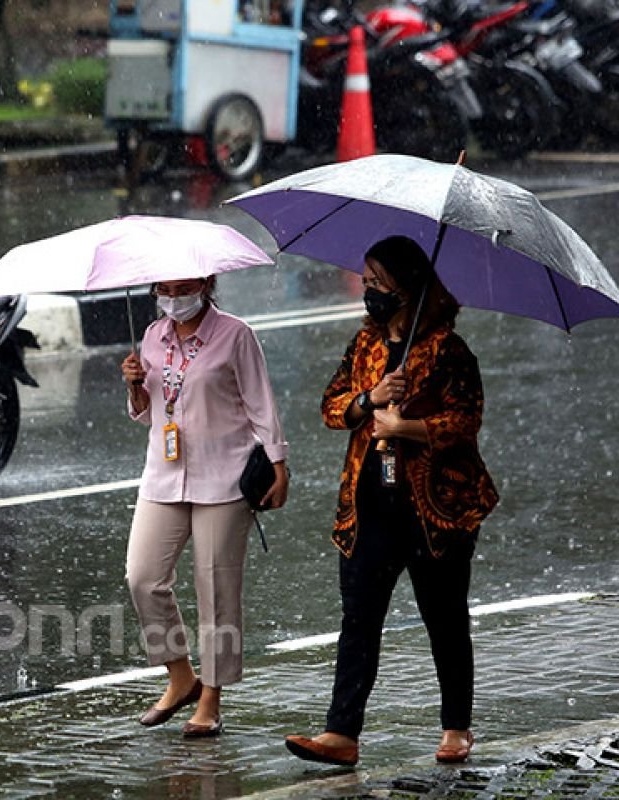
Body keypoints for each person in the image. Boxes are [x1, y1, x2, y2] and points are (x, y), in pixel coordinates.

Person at [284, 236, 498, 767]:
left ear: (406, 287)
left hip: (434, 512)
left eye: (378, 283)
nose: (369, 291)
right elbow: (331, 407)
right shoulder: (366, 345)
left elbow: (466, 420)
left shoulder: (448, 349)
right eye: (367, 281)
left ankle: (456, 727)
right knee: (359, 620)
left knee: (444, 618)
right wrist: (369, 399)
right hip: (369, 508)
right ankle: (341, 732)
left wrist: (407, 427)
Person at [120, 276, 289, 738]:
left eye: (183, 288)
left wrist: (278, 464)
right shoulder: (151, 336)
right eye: (165, 289)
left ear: (206, 283)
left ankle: (211, 697)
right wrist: (134, 386)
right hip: (164, 475)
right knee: (143, 577)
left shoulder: (236, 334)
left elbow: (261, 403)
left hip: (224, 476)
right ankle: (181, 677)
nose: (174, 298)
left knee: (216, 590)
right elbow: (149, 412)